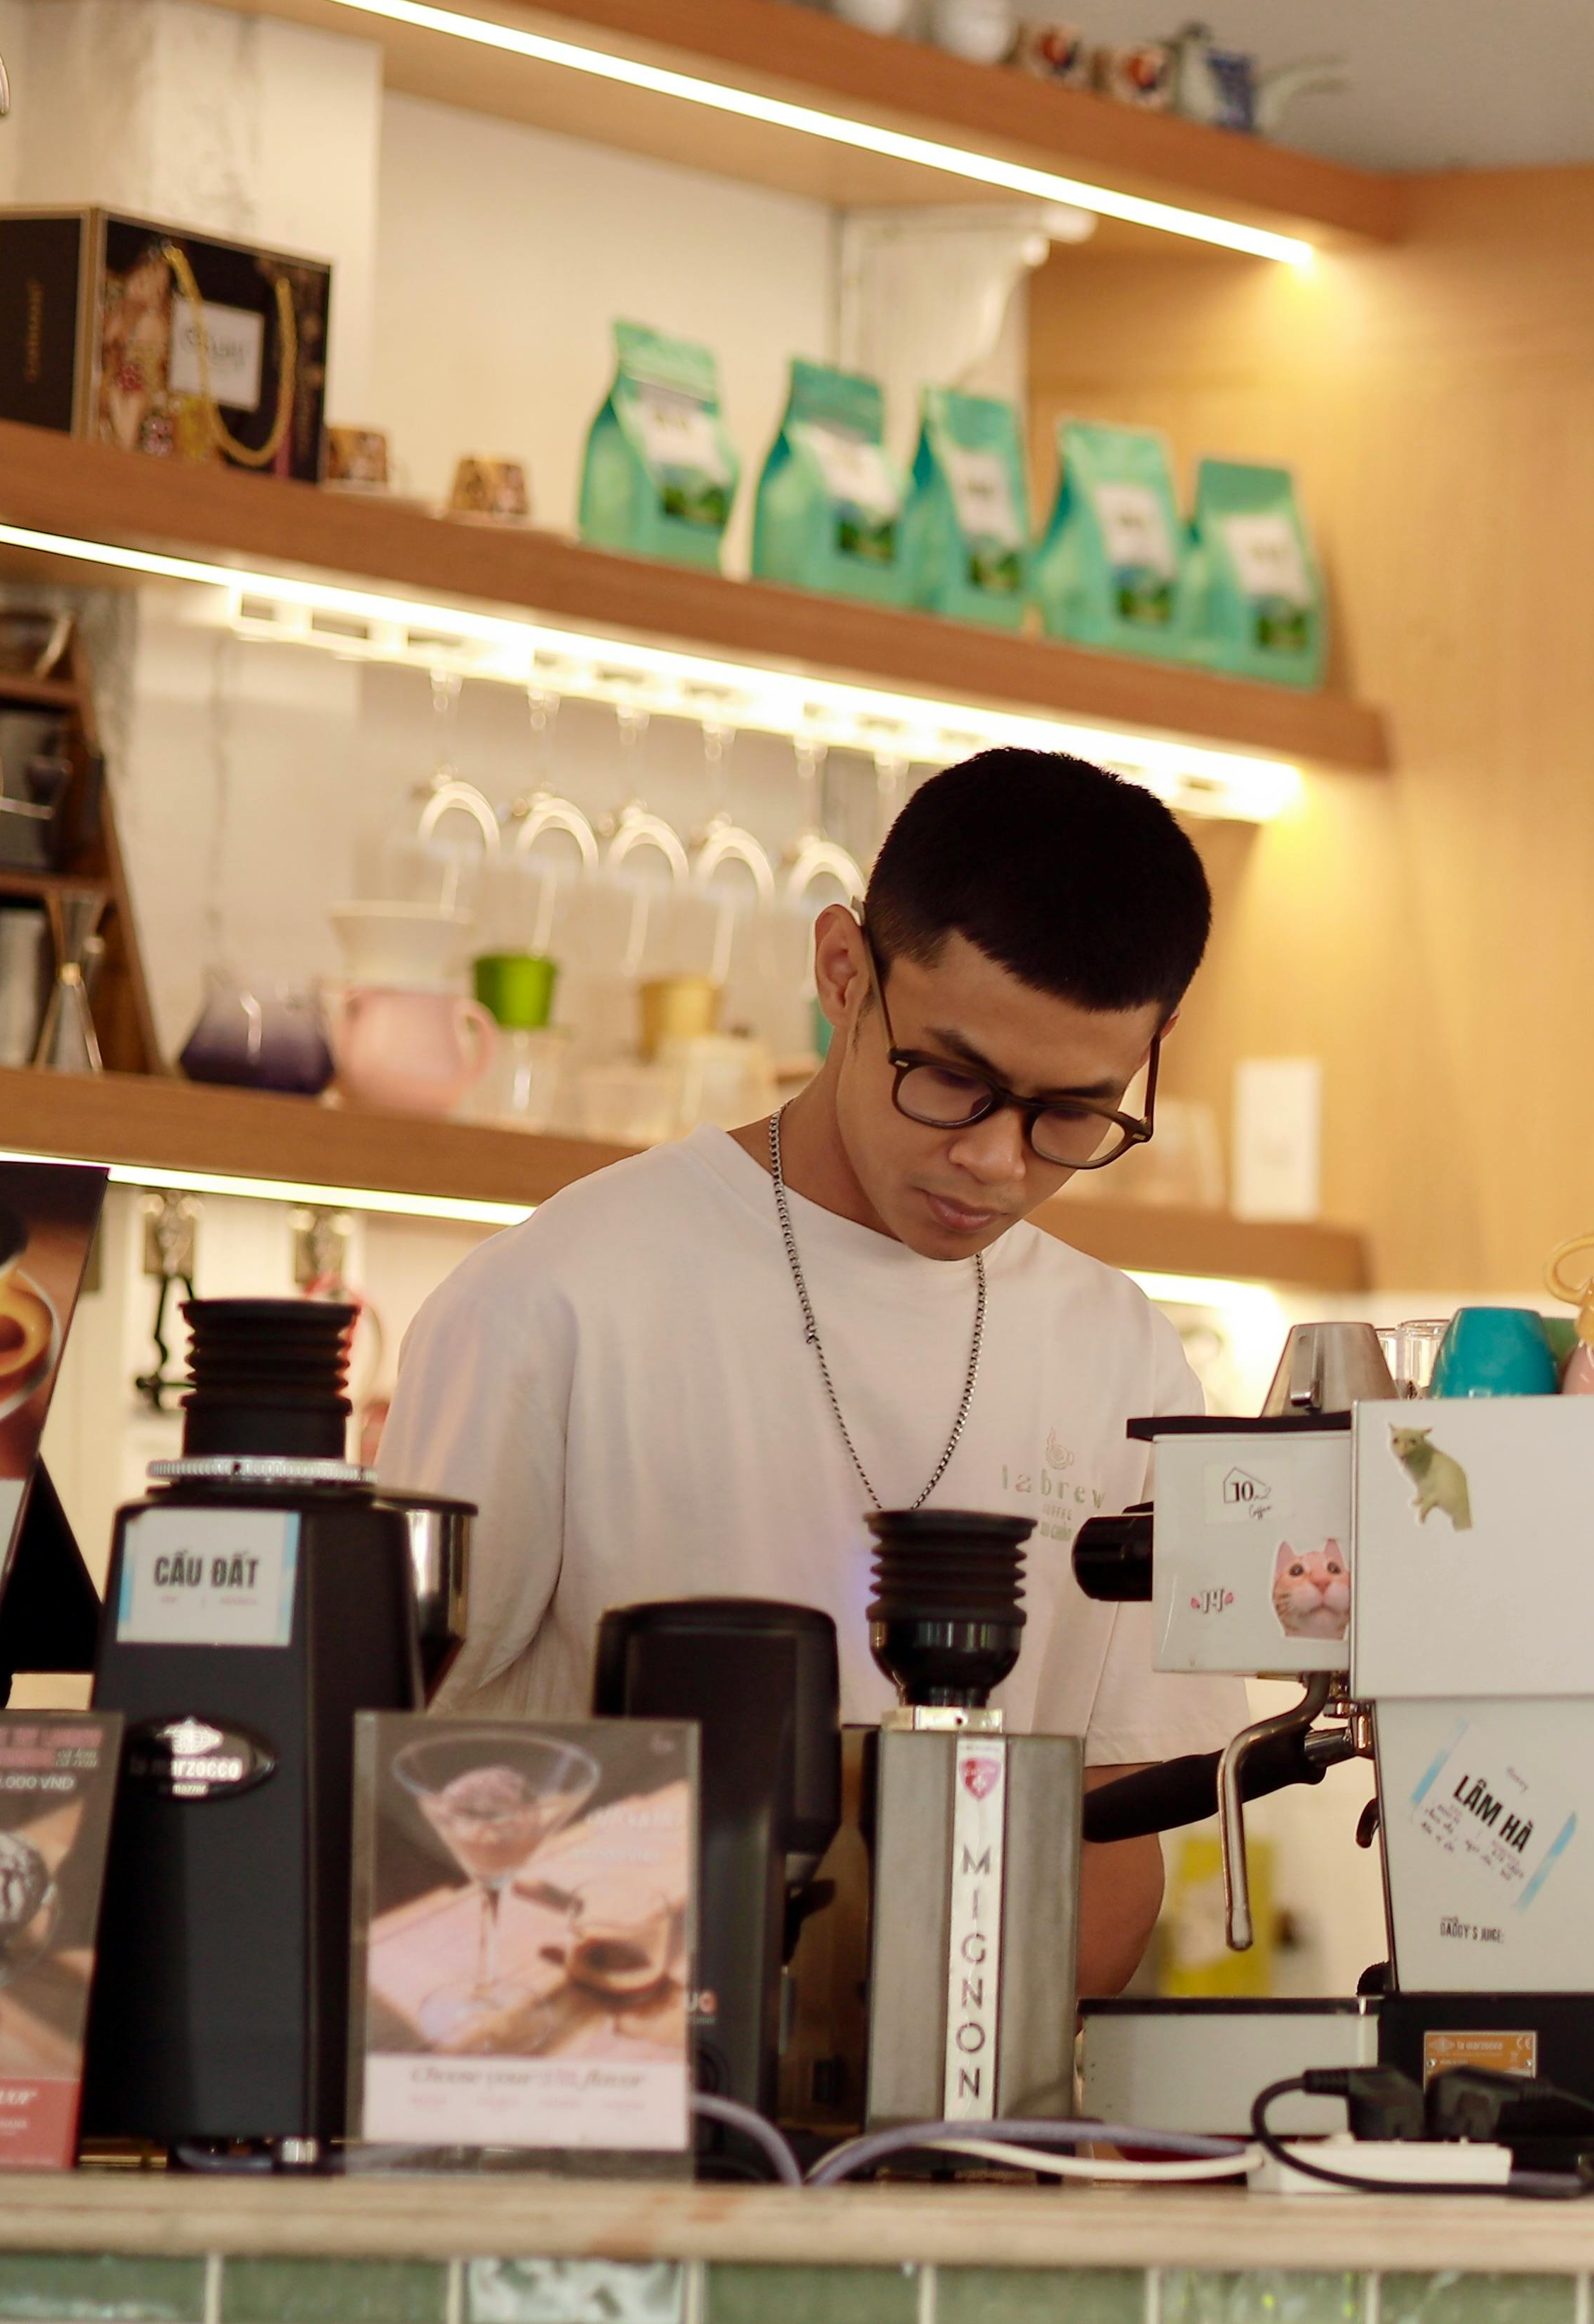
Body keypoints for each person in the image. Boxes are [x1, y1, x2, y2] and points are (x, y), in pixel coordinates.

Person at [384, 748, 1252, 1998]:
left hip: (976, 2131)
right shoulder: (552, 1302)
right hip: (596, 2091)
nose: (999, 1163)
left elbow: (1113, 1844)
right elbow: (411, 1787)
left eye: (1074, 1112)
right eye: (952, 1081)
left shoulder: (1117, 1349)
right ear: (843, 970)